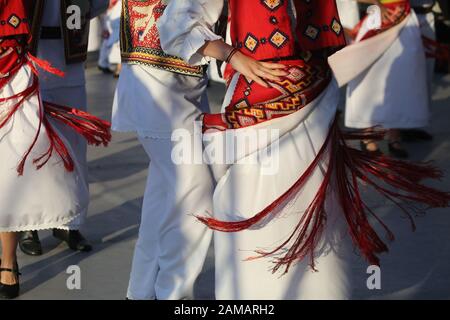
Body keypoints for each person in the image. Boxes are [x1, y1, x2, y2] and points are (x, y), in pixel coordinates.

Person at [159, 0, 450, 299]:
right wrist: (233, 56)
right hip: (261, 110)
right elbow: (175, 25)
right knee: (258, 207)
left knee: (317, 211)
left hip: (316, 102)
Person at [0, 0, 111, 299]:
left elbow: (99, 4)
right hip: (28, 57)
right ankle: (30, 228)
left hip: (68, 57)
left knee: (72, 144)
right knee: (30, 147)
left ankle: (67, 223)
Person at [112, 0, 214, 300]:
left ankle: (141, 292)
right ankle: (173, 295)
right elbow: (177, 26)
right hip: (159, 89)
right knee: (197, 195)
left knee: (164, 199)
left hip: (179, 84)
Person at [342, 0, 430, 158]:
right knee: (370, 79)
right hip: (380, 20)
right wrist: (378, 3)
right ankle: (367, 137)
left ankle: (394, 136)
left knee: (399, 78)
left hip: (405, 19)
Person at [98, 0, 122, 77]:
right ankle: (118, 68)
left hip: (110, 15)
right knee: (116, 42)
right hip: (112, 17)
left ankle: (103, 64)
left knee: (108, 41)